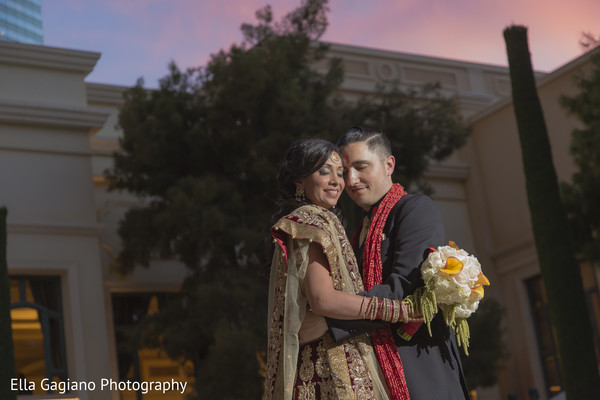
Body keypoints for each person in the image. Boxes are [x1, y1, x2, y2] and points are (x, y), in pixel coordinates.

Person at [264, 138, 422, 400]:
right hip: (329, 366)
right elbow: (323, 299)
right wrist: (401, 310)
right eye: (324, 172)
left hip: (337, 354)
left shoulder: (321, 220)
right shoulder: (309, 221)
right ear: (299, 180)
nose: (337, 181)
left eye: (340, 173)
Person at [326, 127, 471, 399]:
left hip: (421, 365)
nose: (352, 179)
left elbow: (404, 288)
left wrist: (330, 314)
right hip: (377, 366)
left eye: (361, 167)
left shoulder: (414, 209)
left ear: (388, 164)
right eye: (345, 172)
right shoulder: (358, 230)